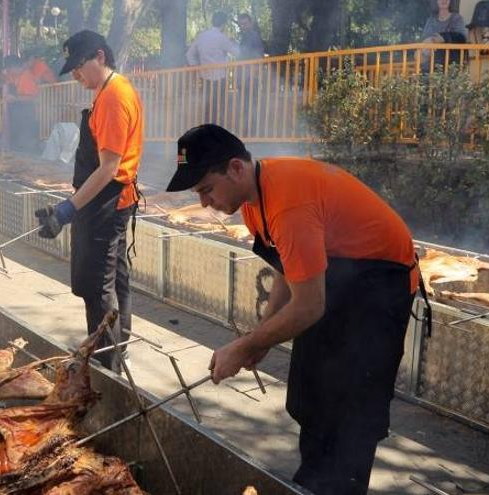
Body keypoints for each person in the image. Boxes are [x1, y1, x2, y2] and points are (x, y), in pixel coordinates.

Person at [165, 124, 428, 495]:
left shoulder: (289, 203)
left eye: (206, 189)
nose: (205, 202)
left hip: (375, 293)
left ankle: (338, 486)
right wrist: (261, 336)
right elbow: (288, 272)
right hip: (335, 285)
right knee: (312, 396)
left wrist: (242, 347)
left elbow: (308, 305)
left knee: (350, 415)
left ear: (236, 168)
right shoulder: (254, 202)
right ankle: (312, 482)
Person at [35, 30, 143, 373]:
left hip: (107, 202)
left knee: (97, 285)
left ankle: (103, 365)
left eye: (78, 67)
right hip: (110, 201)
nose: (75, 75)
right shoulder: (106, 90)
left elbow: (109, 167)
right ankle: (117, 349)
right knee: (116, 278)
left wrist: (67, 210)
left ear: (99, 56)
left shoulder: (113, 97)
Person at [186, 11, 239, 124]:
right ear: (224, 24)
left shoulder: (201, 36)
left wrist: (197, 68)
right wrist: (235, 43)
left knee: (207, 106)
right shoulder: (222, 38)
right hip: (220, 78)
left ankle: (207, 132)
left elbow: (189, 54)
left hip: (204, 78)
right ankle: (216, 134)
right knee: (219, 107)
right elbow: (237, 52)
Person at [420, 0, 467, 69]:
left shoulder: (457, 18)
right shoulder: (431, 21)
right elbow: (425, 41)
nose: (444, 0)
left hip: (452, 66)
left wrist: (444, 38)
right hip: (431, 67)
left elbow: (462, 38)